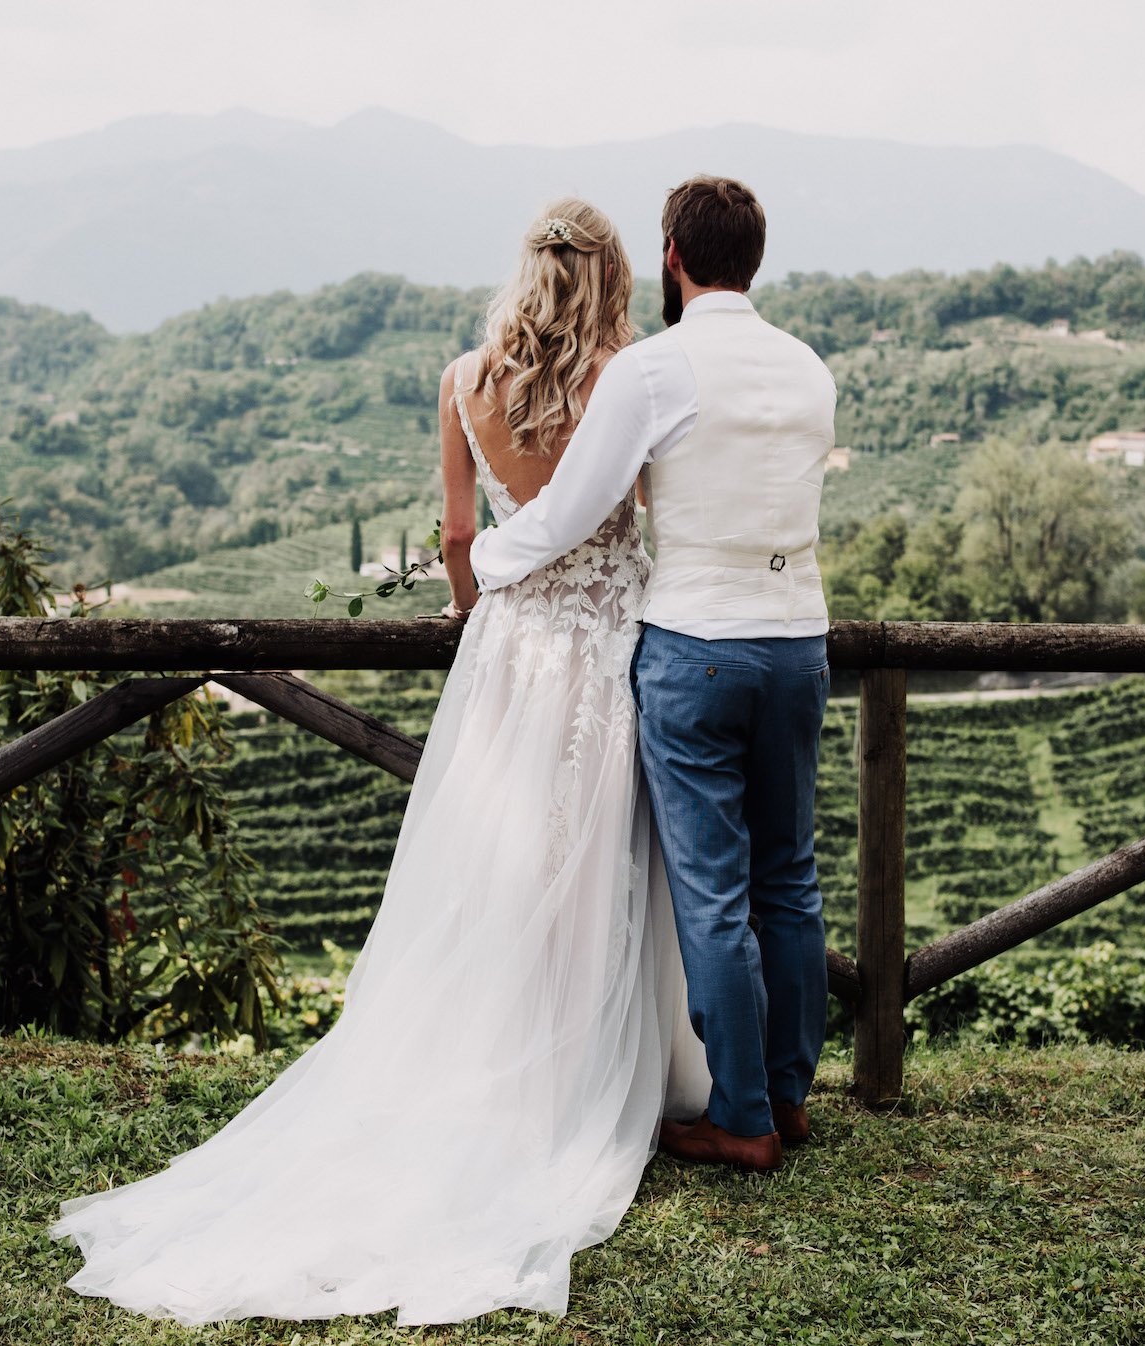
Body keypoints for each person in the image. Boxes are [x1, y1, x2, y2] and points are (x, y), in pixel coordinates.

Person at [51, 197, 710, 1327]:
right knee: (600, 860)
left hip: (506, 649)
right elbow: (640, 506)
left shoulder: (463, 378)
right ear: (609, 277)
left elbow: (461, 540)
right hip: (606, 640)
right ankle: (590, 1077)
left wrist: (473, 610)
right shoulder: (627, 375)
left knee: (495, 868)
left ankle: (493, 1071)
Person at [469, 175, 838, 1175]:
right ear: (754, 259)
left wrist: (490, 563)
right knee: (791, 878)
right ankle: (793, 1093)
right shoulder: (810, 371)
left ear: (673, 255)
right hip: (799, 639)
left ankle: (744, 1114)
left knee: (712, 891)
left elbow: (574, 508)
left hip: (696, 647)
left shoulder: (657, 369)